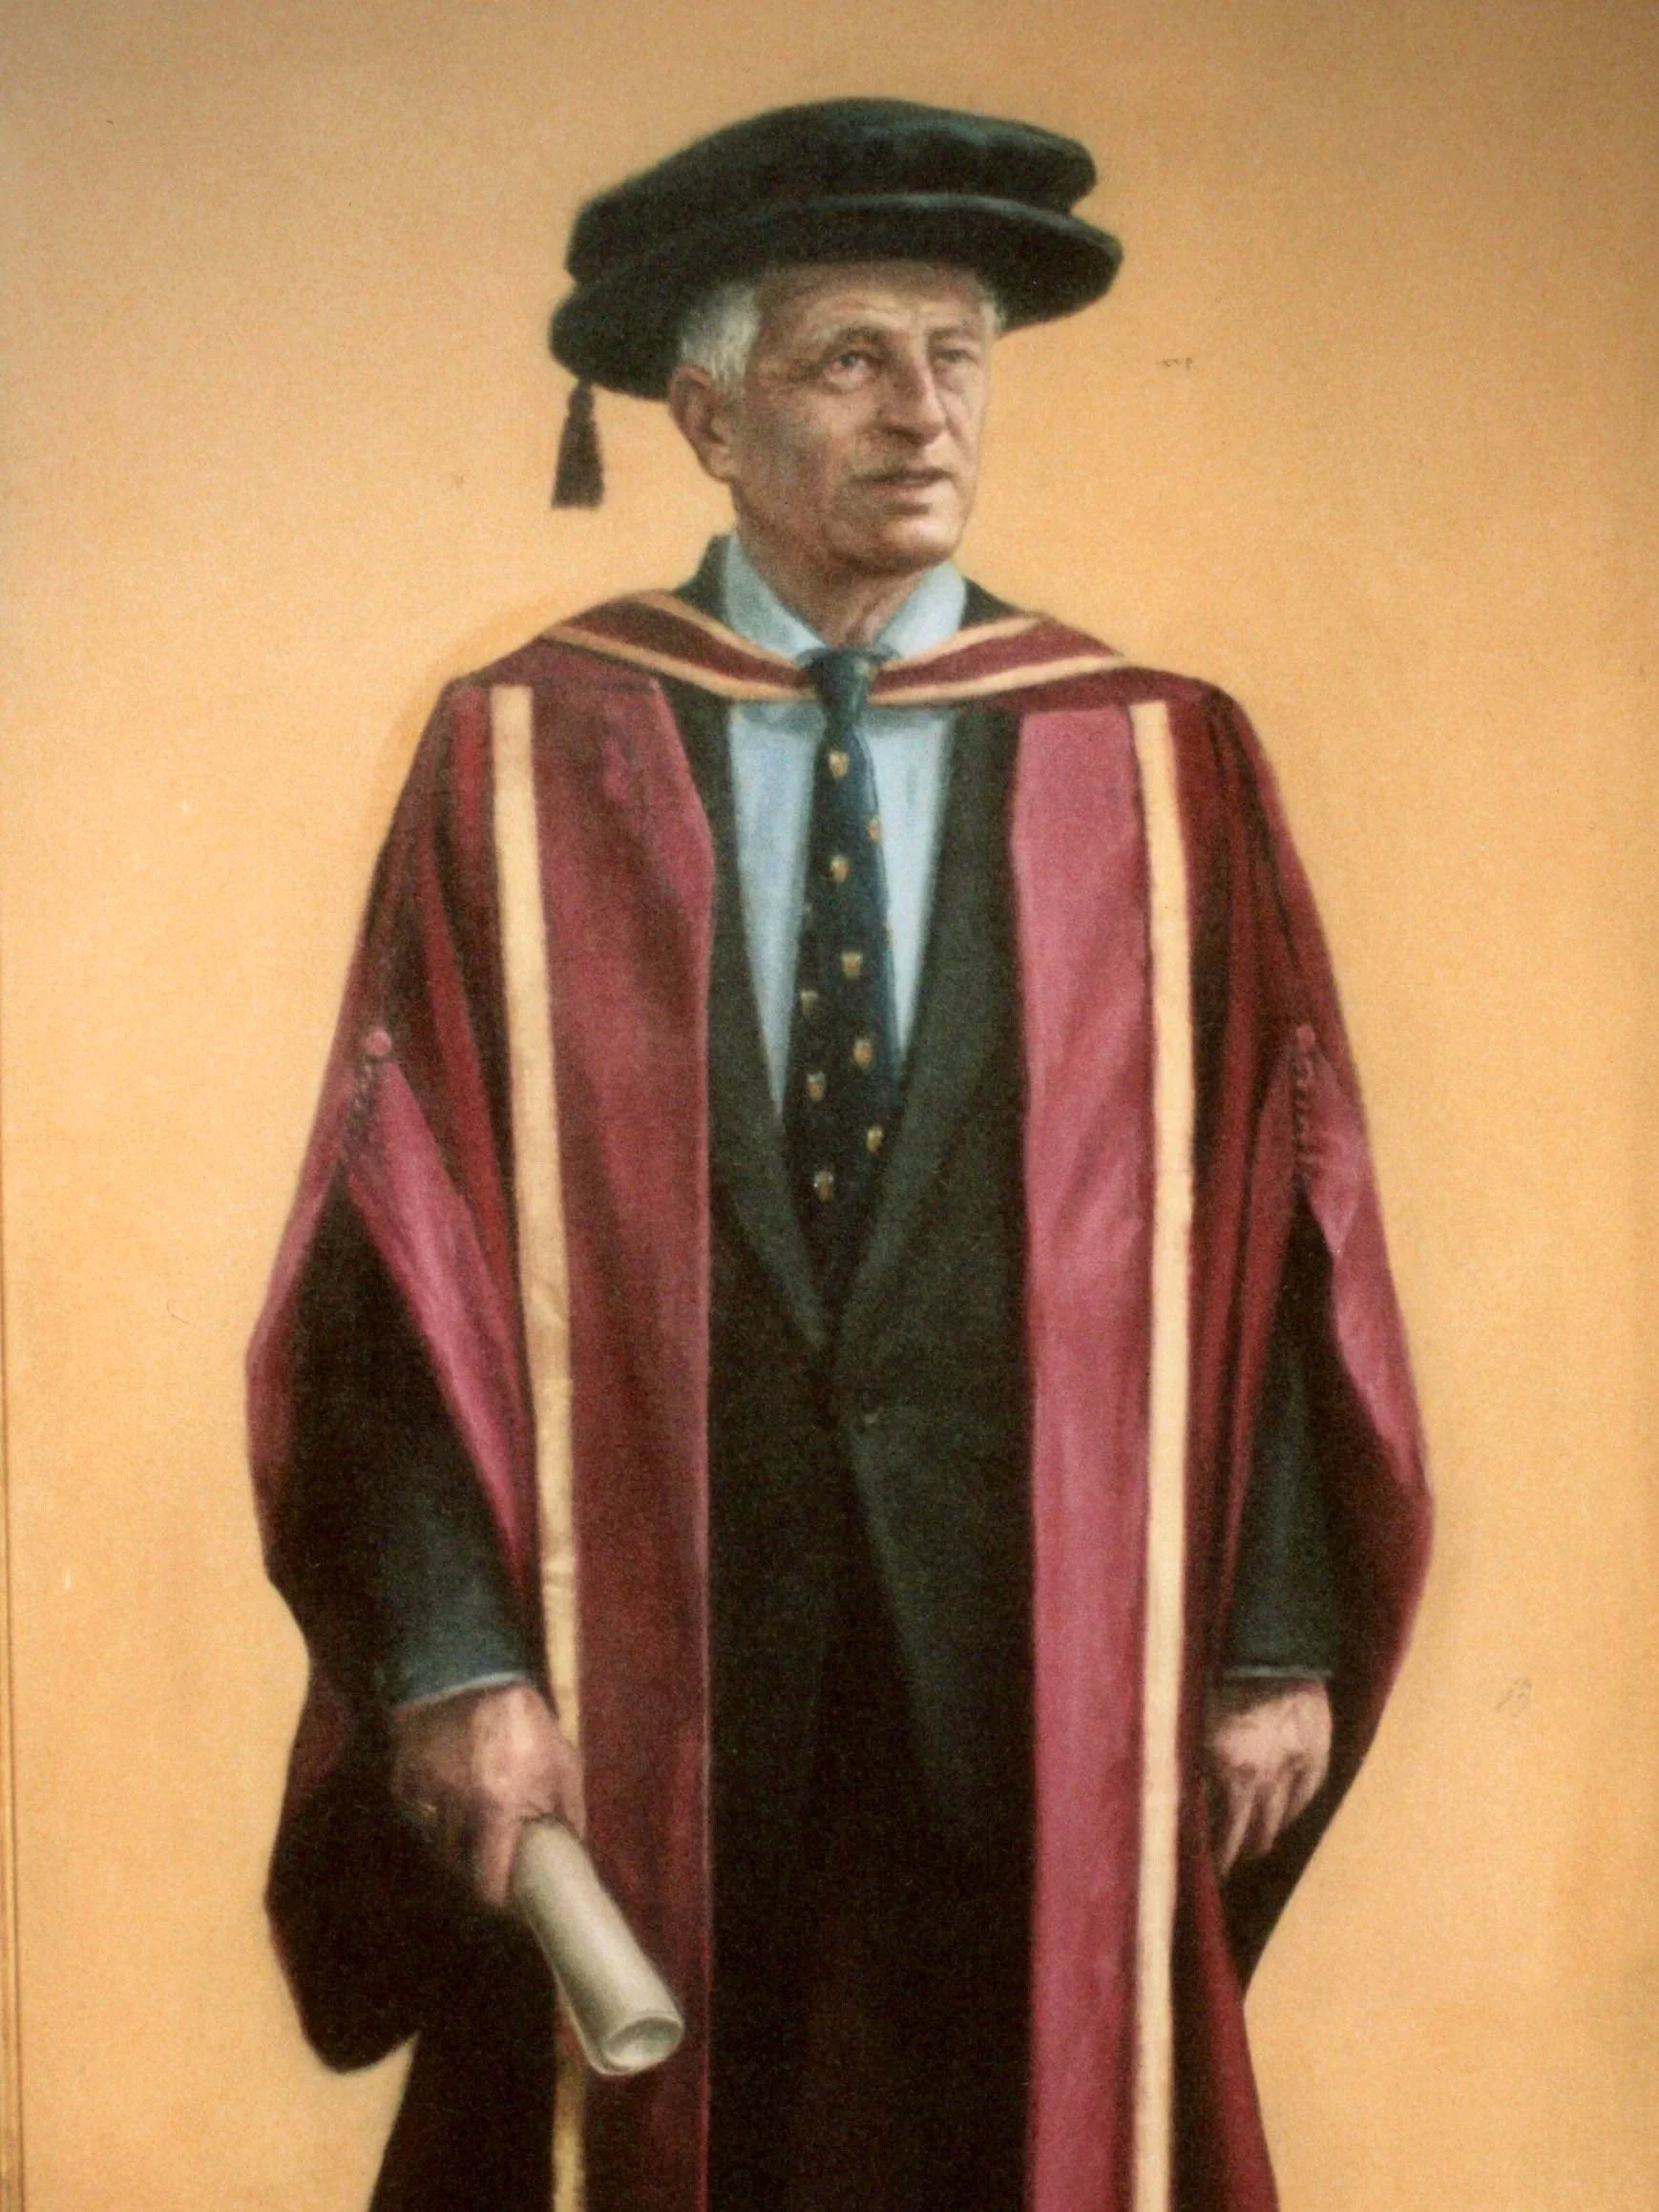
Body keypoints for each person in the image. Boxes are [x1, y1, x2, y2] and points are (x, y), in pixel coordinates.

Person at [248, 98, 1431, 2212]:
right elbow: (387, 1252)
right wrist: (452, 1662)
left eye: (956, 355)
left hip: (1043, 1668)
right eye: (848, 360)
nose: (922, 413)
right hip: (637, 1678)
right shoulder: (522, 754)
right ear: (706, 414)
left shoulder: (1150, 758)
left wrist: (1273, 1637)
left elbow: (1281, 1226)